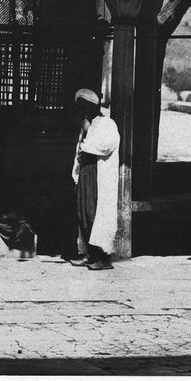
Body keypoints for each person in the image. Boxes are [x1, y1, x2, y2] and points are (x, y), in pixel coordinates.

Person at [69, 88, 119, 270]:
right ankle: (89, 254)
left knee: (94, 214)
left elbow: (106, 146)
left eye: (84, 107)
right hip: (85, 173)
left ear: (92, 106)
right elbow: (80, 150)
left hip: (98, 175)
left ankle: (103, 258)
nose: (82, 111)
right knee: (83, 213)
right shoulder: (86, 124)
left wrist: (89, 132)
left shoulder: (107, 124)